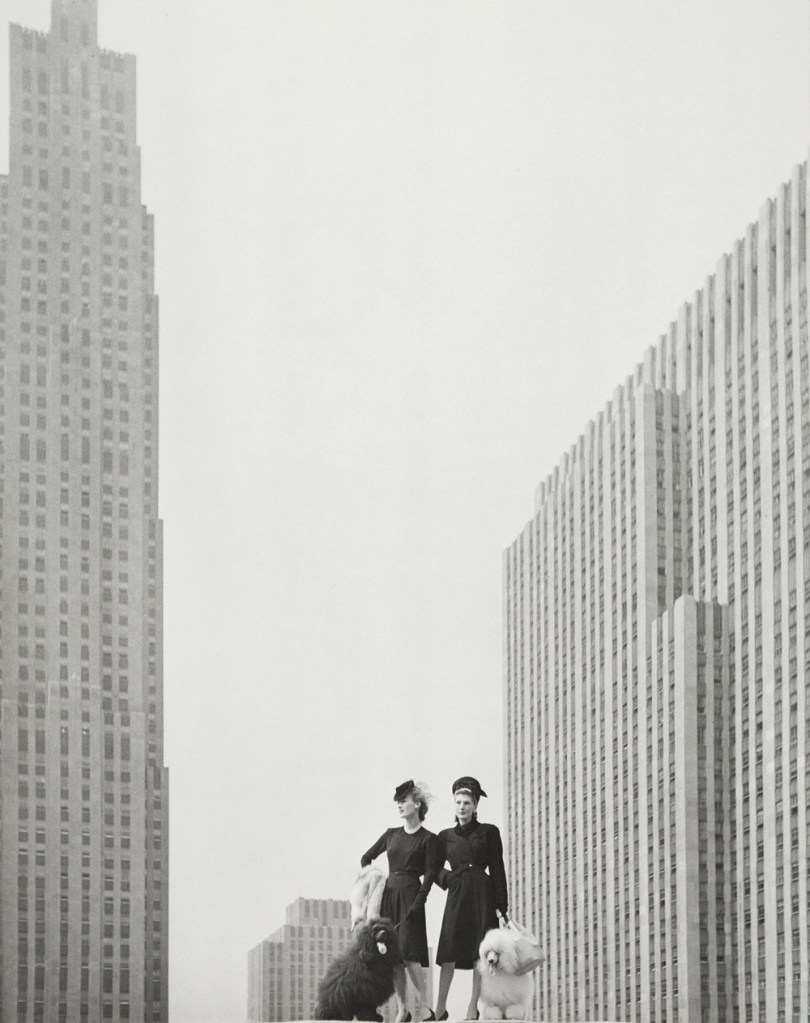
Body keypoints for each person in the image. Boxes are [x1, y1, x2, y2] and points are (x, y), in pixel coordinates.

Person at [361, 780, 440, 1023]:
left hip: (411, 896)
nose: (399, 806)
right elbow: (366, 857)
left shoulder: (429, 839)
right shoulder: (391, 834)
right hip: (389, 896)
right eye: (398, 802)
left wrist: (420, 901)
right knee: (393, 956)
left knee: (410, 954)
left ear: (417, 804)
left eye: (404, 801)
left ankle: (426, 1008)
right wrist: (373, 881)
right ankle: (403, 1009)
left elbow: (430, 875)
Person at [434, 777, 508, 1021]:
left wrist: (501, 906)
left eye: (467, 802)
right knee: (448, 950)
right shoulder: (444, 836)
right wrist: (448, 879)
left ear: (476, 805)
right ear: (454, 805)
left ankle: (471, 1008)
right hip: (457, 895)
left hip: (482, 896)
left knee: (480, 952)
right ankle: (440, 1007)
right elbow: (432, 867)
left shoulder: (489, 832)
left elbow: (497, 868)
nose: (462, 807)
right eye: (458, 802)